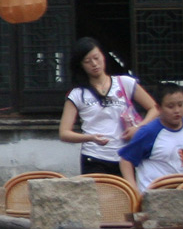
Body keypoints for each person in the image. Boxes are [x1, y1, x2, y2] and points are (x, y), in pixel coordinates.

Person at [59, 38, 157, 176]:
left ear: (103, 56)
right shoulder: (77, 94)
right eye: (87, 61)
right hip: (94, 156)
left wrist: (139, 128)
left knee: (126, 190)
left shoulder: (125, 83)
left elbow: (155, 108)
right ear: (81, 65)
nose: (94, 64)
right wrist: (91, 138)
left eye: (96, 58)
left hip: (125, 156)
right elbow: (64, 133)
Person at [118, 83, 183, 191]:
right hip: (155, 195)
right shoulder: (148, 131)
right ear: (158, 108)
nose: (177, 110)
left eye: (180, 105)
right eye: (170, 106)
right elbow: (126, 160)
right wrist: (134, 190)